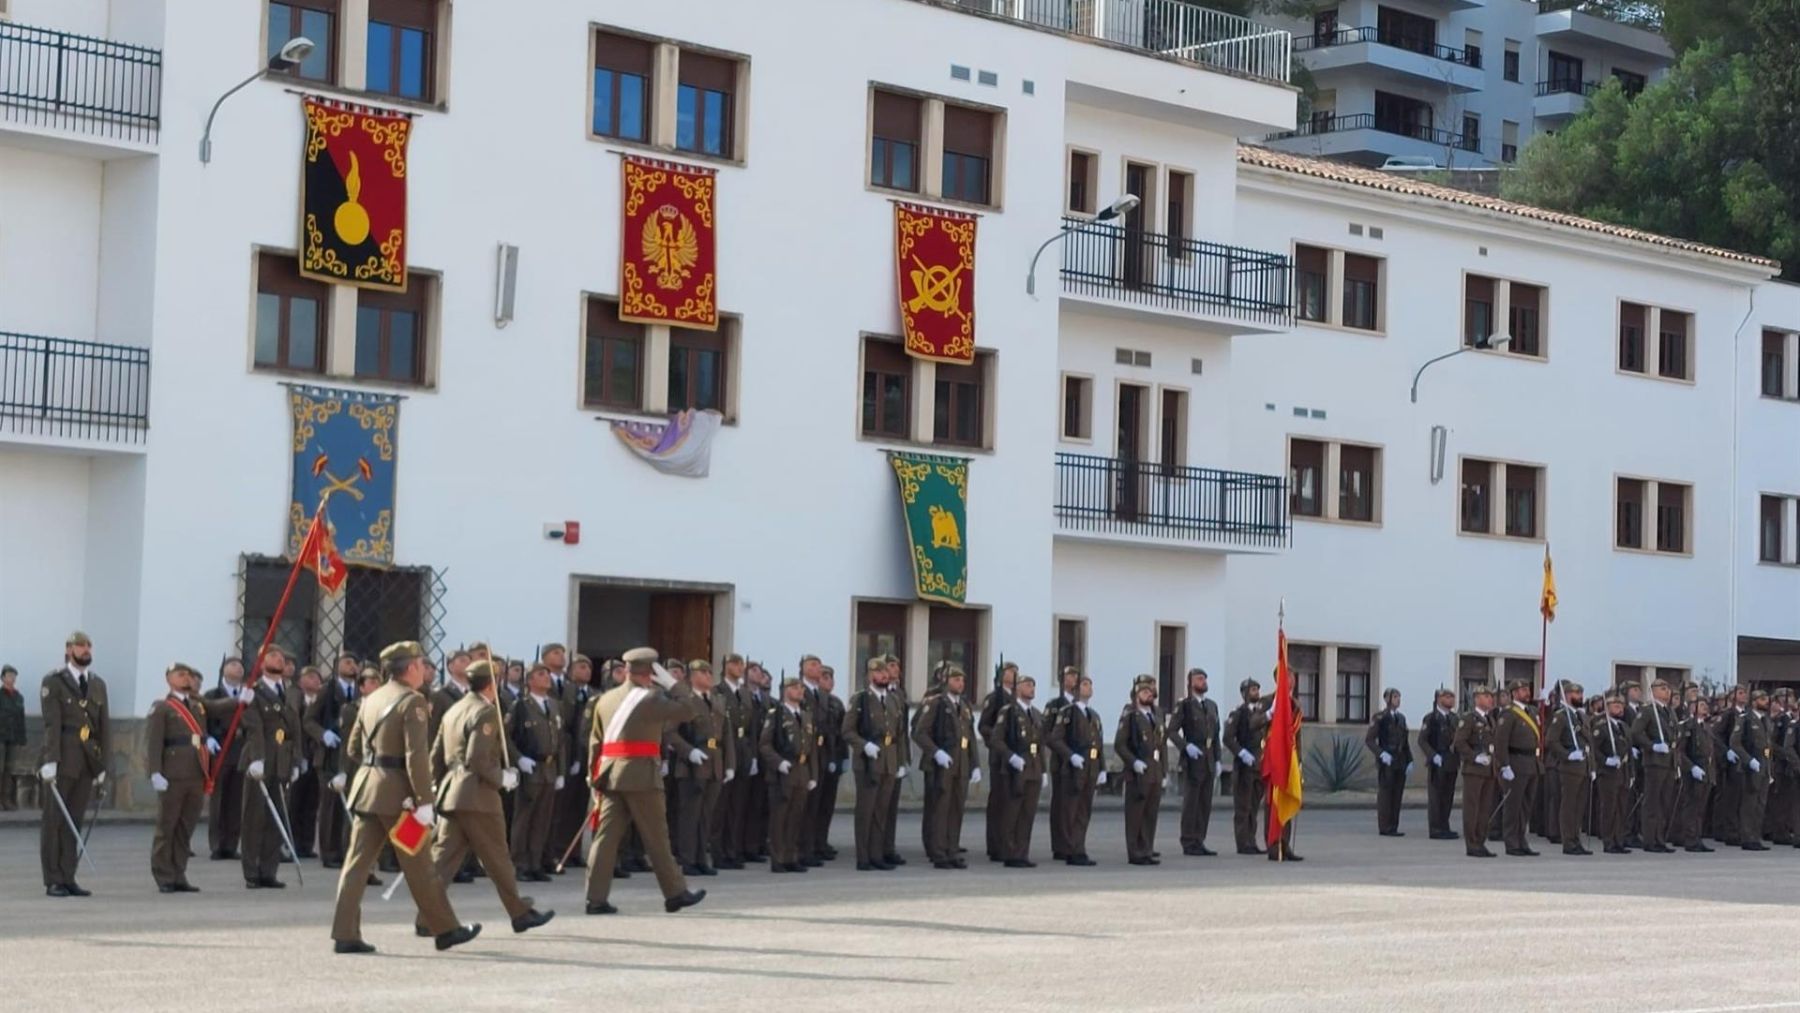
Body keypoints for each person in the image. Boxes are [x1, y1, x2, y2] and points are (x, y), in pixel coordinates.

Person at [331, 641, 480, 955]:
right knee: (421, 866)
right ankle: (446, 929)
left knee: (357, 865)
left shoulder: (371, 699)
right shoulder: (412, 701)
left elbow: (354, 749)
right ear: (410, 668)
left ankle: (345, 932)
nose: (424, 671)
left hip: (368, 790)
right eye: (421, 665)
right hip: (399, 799)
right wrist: (425, 800)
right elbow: (416, 756)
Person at [415, 659, 552, 937]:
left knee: (444, 862)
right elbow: (477, 759)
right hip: (478, 796)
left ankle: (426, 917)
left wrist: (436, 790)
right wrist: (502, 778)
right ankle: (520, 913)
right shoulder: (486, 712)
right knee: (498, 858)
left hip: (453, 794)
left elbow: (435, 756)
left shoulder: (454, 710)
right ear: (492, 684)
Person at [582, 647, 708, 914]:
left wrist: (593, 779)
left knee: (605, 840)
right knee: (657, 838)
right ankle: (675, 893)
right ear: (651, 672)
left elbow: (595, 743)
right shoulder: (650, 698)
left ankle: (596, 898)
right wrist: (674, 684)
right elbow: (690, 709)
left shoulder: (605, 699)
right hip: (642, 776)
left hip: (610, 775)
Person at [147, 663, 246, 892]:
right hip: (172, 774)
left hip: (196, 772)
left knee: (185, 827)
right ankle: (164, 875)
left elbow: (217, 707)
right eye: (181, 674)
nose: (186, 679)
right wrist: (155, 772)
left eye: (189, 675)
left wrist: (240, 699)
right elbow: (153, 742)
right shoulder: (162, 707)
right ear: (169, 679)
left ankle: (179, 873)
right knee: (167, 826)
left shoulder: (197, 704)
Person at [239, 647, 303, 889]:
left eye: (282, 657)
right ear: (262, 662)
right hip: (261, 760)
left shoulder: (289, 692)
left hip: (282, 761)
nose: (279, 660)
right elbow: (253, 727)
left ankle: (269, 870)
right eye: (273, 656)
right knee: (254, 817)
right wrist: (257, 758)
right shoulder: (253, 692)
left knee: (276, 819)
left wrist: (297, 761)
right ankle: (251, 872)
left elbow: (294, 730)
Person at [667, 659, 733, 876]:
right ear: (691, 676)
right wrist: (688, 751)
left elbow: (727, 735)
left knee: (706, 815)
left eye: (709, 671)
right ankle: (687, 859)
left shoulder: (717, 701)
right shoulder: (685, 701)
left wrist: (729, 764)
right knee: (690, 814)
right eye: (702, 672)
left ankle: (701, 858)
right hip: (691, 765)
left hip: (714, 762)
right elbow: (670, 732)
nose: (707, 675)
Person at [914, 665, 977, 870]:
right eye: (956, 679)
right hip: (941, 765)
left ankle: (951, 849)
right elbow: (919, 733)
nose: (960, 683)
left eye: (962, 680)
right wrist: (936, 752)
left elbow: (971, 737)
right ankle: (939, 851)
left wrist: (975, 764)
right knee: (940, 809)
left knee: (956, 808)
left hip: (961, 764)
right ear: (946, 681)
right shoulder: (936, 703)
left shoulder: (965, 706)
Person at [844, 657, 902, 871]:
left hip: (888, 761)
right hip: (868, 763)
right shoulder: (860, 699)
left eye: (886, 672)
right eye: (879, 672)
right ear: (870, 675)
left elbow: (899, 732)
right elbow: (848, 731)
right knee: (866, 811)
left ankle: (877, 854)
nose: (884, 676)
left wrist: (899, 760)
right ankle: (863, 856)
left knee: (881, 811)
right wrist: (864, 745)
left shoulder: (893, 700)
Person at [509, 663, 565, 883]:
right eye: (541, 674)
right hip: (530, 767)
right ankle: (519, 863)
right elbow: (507, 737)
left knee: (543, 819)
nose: (547, 678)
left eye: (547, 674)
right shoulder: (521, 706)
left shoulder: (554, 704)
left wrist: (560, 771)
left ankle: (535, 862)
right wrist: (518, 759)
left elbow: (560, 741)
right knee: (524, 818)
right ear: (529, 680)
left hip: (549, 769)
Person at [761, 670, 817, 874]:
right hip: (783, 771)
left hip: (801, 771)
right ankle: (778, 858)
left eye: (801, 687)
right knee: (779, 817)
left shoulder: (806, 715)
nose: (800, 691)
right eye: (795, 687)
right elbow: (765, 745)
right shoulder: (775, 715)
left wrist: (813, 774)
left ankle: (791, 856)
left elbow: (811, 748)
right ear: (785, 691)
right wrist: (778, 763)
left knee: (796, 816)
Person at [987, 674, 1045, 868]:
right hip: (1015, 769)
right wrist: (1010, 757)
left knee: (1027, 813)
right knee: (1012, 812)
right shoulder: (1009, 711)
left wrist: (1043, 770)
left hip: (1033, 768)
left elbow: (1040, 743)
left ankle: (1022, 852)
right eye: (1028, 684)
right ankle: (1009, 852)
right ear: (1018, 688)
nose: (1032, 688)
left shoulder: (1036, 714)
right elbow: (996, 739)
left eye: (1033, 685)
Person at [1047, 675, 1105, 865]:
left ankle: (1079, 847)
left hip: (1090, 768)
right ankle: (1070, 849)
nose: (1089, 688)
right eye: (1085, 684)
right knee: (1070, 810)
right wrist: (1070, 755)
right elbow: (1055, 739)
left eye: (1090, 684)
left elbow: (1098, 744)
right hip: (1073, 769)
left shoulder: (1093, 715)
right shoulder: (1068, 712)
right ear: (1075, 690)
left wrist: (1102, 767)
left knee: (1083, 811)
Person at [549, 653, 597, 871]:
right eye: (580, 666)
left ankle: (575, 851)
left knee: (580, 804)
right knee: (563, 805)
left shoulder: (595, 694)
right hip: (568, 752)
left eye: (588, 666)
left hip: (586, 753)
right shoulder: (566, 691)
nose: (585, 670)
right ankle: (559, 849)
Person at [1165, 668, 1221, 857]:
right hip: (1193, 759)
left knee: (1205, 803)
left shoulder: (1212, 705)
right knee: (1191, 803)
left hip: (1209, 760)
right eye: (1199, 679)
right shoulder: (1185, 705)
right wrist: (1185, 746)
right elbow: (1171, 731)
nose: (1203, 682)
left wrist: (1218, 759)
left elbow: (1216, 735)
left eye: (1204, 678)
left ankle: (1200, 840)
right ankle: (1188, 841)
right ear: (1191, 683)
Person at [313, 654, 361, 869]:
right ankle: (328, 852)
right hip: (330, 756)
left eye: (354, 663)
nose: (351, 666)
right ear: (336, 667)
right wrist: (323, 735)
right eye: (346, 662)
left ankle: (344, 849)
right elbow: (309, 720)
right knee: (329, 807)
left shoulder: (359, 692)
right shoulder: (328, 690)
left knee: (347, 807)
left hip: (350, 758)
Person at [1115, 675, 1165, 865]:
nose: (1148, 695)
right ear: (1136, 695)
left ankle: (1146, 848)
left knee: (1150, 814)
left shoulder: (1155, 716)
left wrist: (1164, 771)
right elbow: (1120, 744)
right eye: (1144, 692)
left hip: (1154, 771)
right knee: (1136, 813)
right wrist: (1133, 762)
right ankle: (1135, 852)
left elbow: (1160, 745)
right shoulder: (1131, 716)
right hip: (1138, 772)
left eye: (1150, 693)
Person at [205, 659, 248, 860]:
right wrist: (209, 738)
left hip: (241, 750)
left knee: (236, 799)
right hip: (221, 749)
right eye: (233, 665)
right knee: (218, 800)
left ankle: (231, 844)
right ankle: (217, 844)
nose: (238, 668)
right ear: (223, 670)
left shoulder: (248, 694)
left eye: (240, 665)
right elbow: (204, 719)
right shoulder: (212, 695)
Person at [1630, 678, 1680, 854]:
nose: (1667, 692)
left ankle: (1660, 838)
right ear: (1654, 691)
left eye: (1668, 689)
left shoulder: (1669, 712)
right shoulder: (1648, 711)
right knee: (1652, 802)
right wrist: (1651, 746)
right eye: (1663, 688)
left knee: (1664, 802)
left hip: (1669, 762)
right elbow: (1636, 732)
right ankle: (1650, 839)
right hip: (1655, 762)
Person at [1493, 679, 1542, 857]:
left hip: (1531, 763)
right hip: (1515, 762)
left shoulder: (1532, 711)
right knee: (1513, 806)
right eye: (1522, 690)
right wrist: (1504, 765)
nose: (1526, 692)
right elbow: (1500, 742)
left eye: (1527, 689)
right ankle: (1511, 843)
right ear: (1514, 693)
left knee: (1525, 807)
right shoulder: (1508, 714)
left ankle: (1522, 840)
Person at [713, 654, 752, 869]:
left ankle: (732, 850)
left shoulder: (744, 693)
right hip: (726, 753)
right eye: (735, 664)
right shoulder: (717, 692)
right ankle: (718, 851)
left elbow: (751, 728)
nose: (739, 668)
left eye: (741, 664)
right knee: (721, 807)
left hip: (743, 753)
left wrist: (752, 755)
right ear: (726, 666)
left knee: (737, 806)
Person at [1223, 678, 1269, 855]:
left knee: (1254, 807)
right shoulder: (1239, 713)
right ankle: (1243, 843)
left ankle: (1252, 841)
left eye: (1257, 689)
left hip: (1258, 766)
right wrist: (1241, 753)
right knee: (1243, 807)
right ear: (1244, 693)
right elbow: (1228, 738)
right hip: (1244, 768)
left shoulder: (1261, 714)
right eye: (1252, 690)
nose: (1256, 693)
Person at [1453, 684, 1499, 857]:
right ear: (1477, 699)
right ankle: (1471, 843)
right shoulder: (1469, 719)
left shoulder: (1490, 719)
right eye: (1487, 696)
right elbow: (1459, 742)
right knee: (1472, 808)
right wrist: (1474, 757)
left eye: (1491, 696)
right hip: (1474, 769)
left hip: (1489, 770)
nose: (1491, 699)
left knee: (1485, 808)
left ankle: (1480, 841)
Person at [1548, 682, 1593, 856]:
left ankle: (1576, 839)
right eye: (1576, 694)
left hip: (1583, 766)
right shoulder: (1561, 716)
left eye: (1581, 694)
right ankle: (1568, 841)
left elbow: (1589, 744)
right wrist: (1567, 755)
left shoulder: (1581, 716)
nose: (1580, 697)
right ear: (1567, 696)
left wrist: (1592, 767)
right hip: (1570, 767)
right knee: (1569, 805)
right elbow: (1552, 741)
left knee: (1579, 806)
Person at [979, 662, 1017, 863]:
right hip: (999, 755)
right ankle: (994, 844)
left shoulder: (1015, 699)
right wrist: (996, 738)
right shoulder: (995, 697)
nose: (1014, 675)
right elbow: (983, 725)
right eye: (1010, 672)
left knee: (1011, 803)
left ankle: (1007, 842)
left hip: (1014, 756)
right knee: (999, 802)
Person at [1042, 666, 1081, 860]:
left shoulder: (1078, 704)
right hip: (1060, 760)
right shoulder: (1055, 704)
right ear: (1061, 679)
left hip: (1077, 762)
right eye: (1070, 676)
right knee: (1060, 804)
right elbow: (1047, 734)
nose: (1074, 679)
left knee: (1072, 806)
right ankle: (1059, 844)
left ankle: (1069, 842)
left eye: (1076, 676)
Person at [1364, 688, 1414, 837]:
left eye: (1399, 697)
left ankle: (1394, 825)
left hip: (1400, 760)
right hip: (1387, 760)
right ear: (1387, 699)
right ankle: (1385, 826)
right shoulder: (1380, 717)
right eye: (1395, 697)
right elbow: (1370, 740)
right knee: (1386, 795)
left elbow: (1405, 742)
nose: (1398, 700)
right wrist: (1381, 754)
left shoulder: (1402, 718)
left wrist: (1409, 759)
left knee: (1397, 794)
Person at [1732, 688, 1775, 851]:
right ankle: (1747, 837)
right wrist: (1749, 760)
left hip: (1764, 767)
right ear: (1754, 701)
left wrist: (1769, 768)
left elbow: (1768, 747)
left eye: (1766, 699)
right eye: (1762, 699)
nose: (1766, 702)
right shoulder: (1746, 719)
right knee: (1749, 804)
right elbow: (1735, 743)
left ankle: (1756, 837)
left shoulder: (1766, 720)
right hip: (1750, 767)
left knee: (1760, 804)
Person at [1590, 691, 1632, 854]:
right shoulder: (1601, 728)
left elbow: (1628, 751)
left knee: (1621, 809)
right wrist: (1605, 760)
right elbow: (1594, 749)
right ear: (1607, 708)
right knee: (1609, 808)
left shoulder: (1624, 727)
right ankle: (1608, 841)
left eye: (1621, 705)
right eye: (1615, 705)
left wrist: (1631, 773)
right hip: (1607, 773)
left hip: (1623, 772)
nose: (1619, 708)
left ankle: (1618, 840)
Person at [290, 666, 325, 859]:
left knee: (311, 803)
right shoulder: (296, 699)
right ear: (301, 681)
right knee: (294, 802)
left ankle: (307, 844)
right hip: (299, 755)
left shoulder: (320, 702)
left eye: (317, 677)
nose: (315, 680)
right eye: (310, 677)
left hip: (315, 757)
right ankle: (293, 843)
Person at [813, 666, 846, 863]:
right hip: (819, 756)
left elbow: (842, 732)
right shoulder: (813, 700)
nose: (829, 681)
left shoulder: (836, 703)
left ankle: (822, 841)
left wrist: (843, 758)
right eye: (825, 677)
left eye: (831, 678)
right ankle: (812, 843)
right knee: (814, 804)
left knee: (827, 804)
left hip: (834, 756)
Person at [1418, 688, 1461, 840]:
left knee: (1448, 796)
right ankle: (1436, 828)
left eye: (1452, 697)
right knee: (1436, 796)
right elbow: (1422, 740)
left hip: (1451, 761)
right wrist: (1433, 755)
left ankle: (1445, 825)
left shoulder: (1455, 718)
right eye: (1447, 697)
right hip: (1438, 761)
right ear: (1438, 699)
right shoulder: (1431, 718)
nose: (1451, 700)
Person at [1674, 695, 1716, 852]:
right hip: (1693, 772)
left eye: (1706, 704)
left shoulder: (1705, 726)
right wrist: (1691, 767)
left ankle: (1697, 837)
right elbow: (1679, 751)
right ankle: (1690, 839)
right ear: (1692, 708)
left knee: (1700, 808)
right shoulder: (1687, 726)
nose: (1705, 707)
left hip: (1706, 772)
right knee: (1691, 806)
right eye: (1701, 704)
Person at [743, 661, 774, 862]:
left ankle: (756, 844)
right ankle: (740, 846)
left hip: (764, 756)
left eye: (760, 671)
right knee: (741, 806)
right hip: (746, 754)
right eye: (754, 670)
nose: (759, 674)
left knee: (760, 804)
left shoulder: (766, 699)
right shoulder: (741, 696)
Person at [882, 654, 910, 866]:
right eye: (891, 666)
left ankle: (888, 847)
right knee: (878, 808)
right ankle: (875, 849)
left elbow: (902, 732)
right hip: (880, 758)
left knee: (891, 808)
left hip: (896, 756)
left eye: (897, 666)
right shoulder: (871, 695)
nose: (896, 669)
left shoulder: (899, 693)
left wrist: (904, 760)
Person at [1, 665, 25, 811]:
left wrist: (22, 738)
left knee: (9, 769)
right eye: (9, 675)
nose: (12, 678)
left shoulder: (18, 697)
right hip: (0, 736)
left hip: (13, 737)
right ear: (3, 678)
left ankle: (6, 799)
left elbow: (20, 718)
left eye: (14, 675)